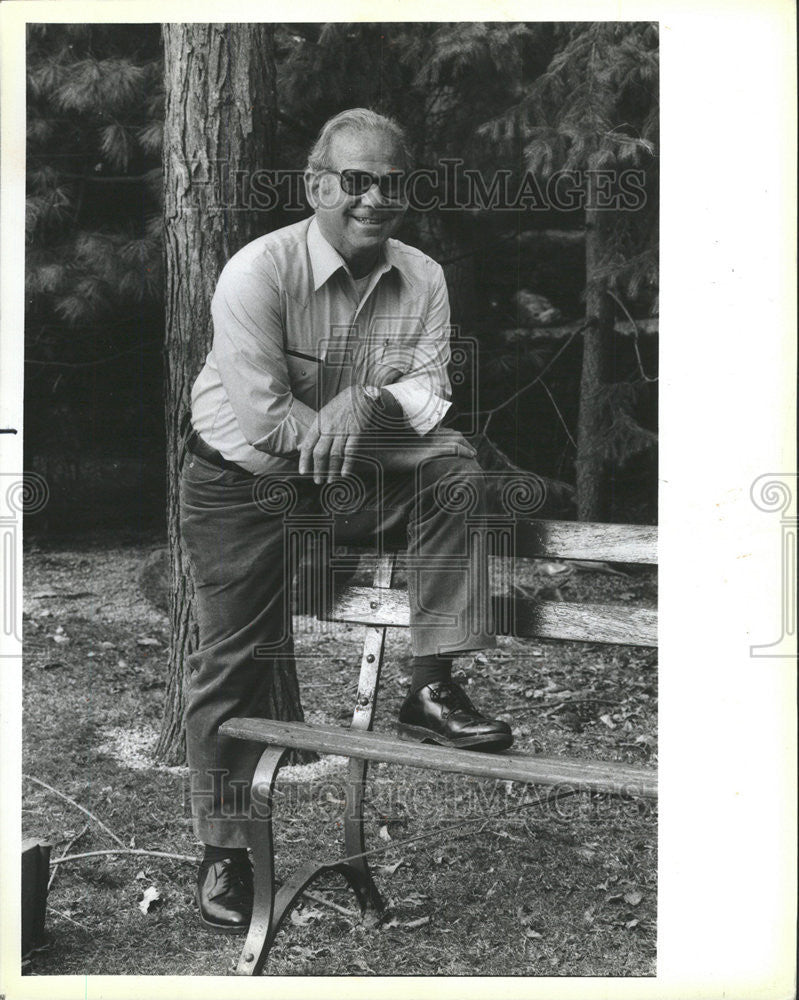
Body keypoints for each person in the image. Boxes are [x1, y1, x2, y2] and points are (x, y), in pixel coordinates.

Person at [180, 108, 513, 933]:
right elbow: (263, 421)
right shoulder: (257, 272)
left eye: (391, 184)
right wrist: (351, 425)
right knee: (232, 662)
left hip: (347, 474)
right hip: (244, 483)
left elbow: (429, 396)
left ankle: (431, 690)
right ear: (316, 185)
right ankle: (222, 852)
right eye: (354, 182)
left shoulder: (423, 276)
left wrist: (361, 401)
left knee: (453, 470)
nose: (372, 200)